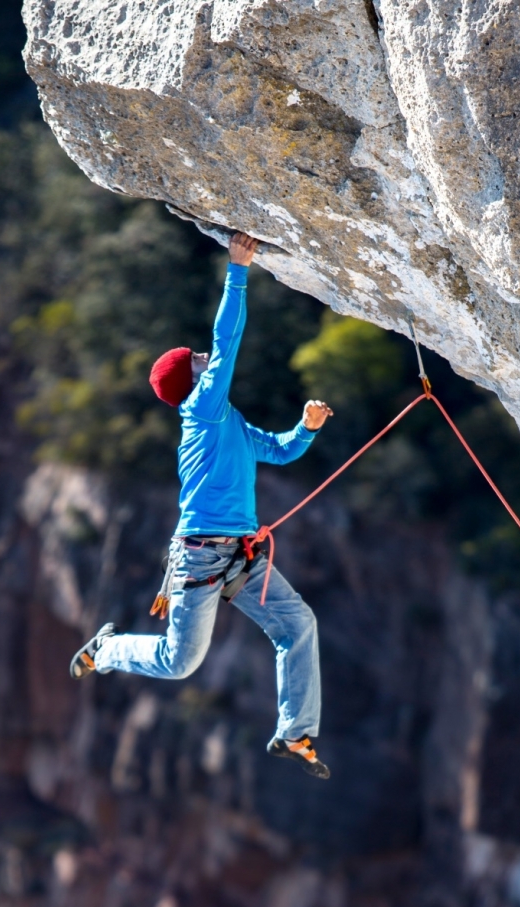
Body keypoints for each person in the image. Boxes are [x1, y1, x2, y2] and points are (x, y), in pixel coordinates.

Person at [69, 232, 334, 779]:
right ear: (193, 380)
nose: (206, 356)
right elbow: (227, 339)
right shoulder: (203, 409)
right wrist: (237, 270)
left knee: (298, 624)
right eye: (197, 360)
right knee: (179, 662)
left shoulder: (227, 422)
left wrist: (305, 429)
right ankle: (110, 648)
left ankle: (296, 732)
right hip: (200, 558)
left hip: (238, 552)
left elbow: (279, 451)